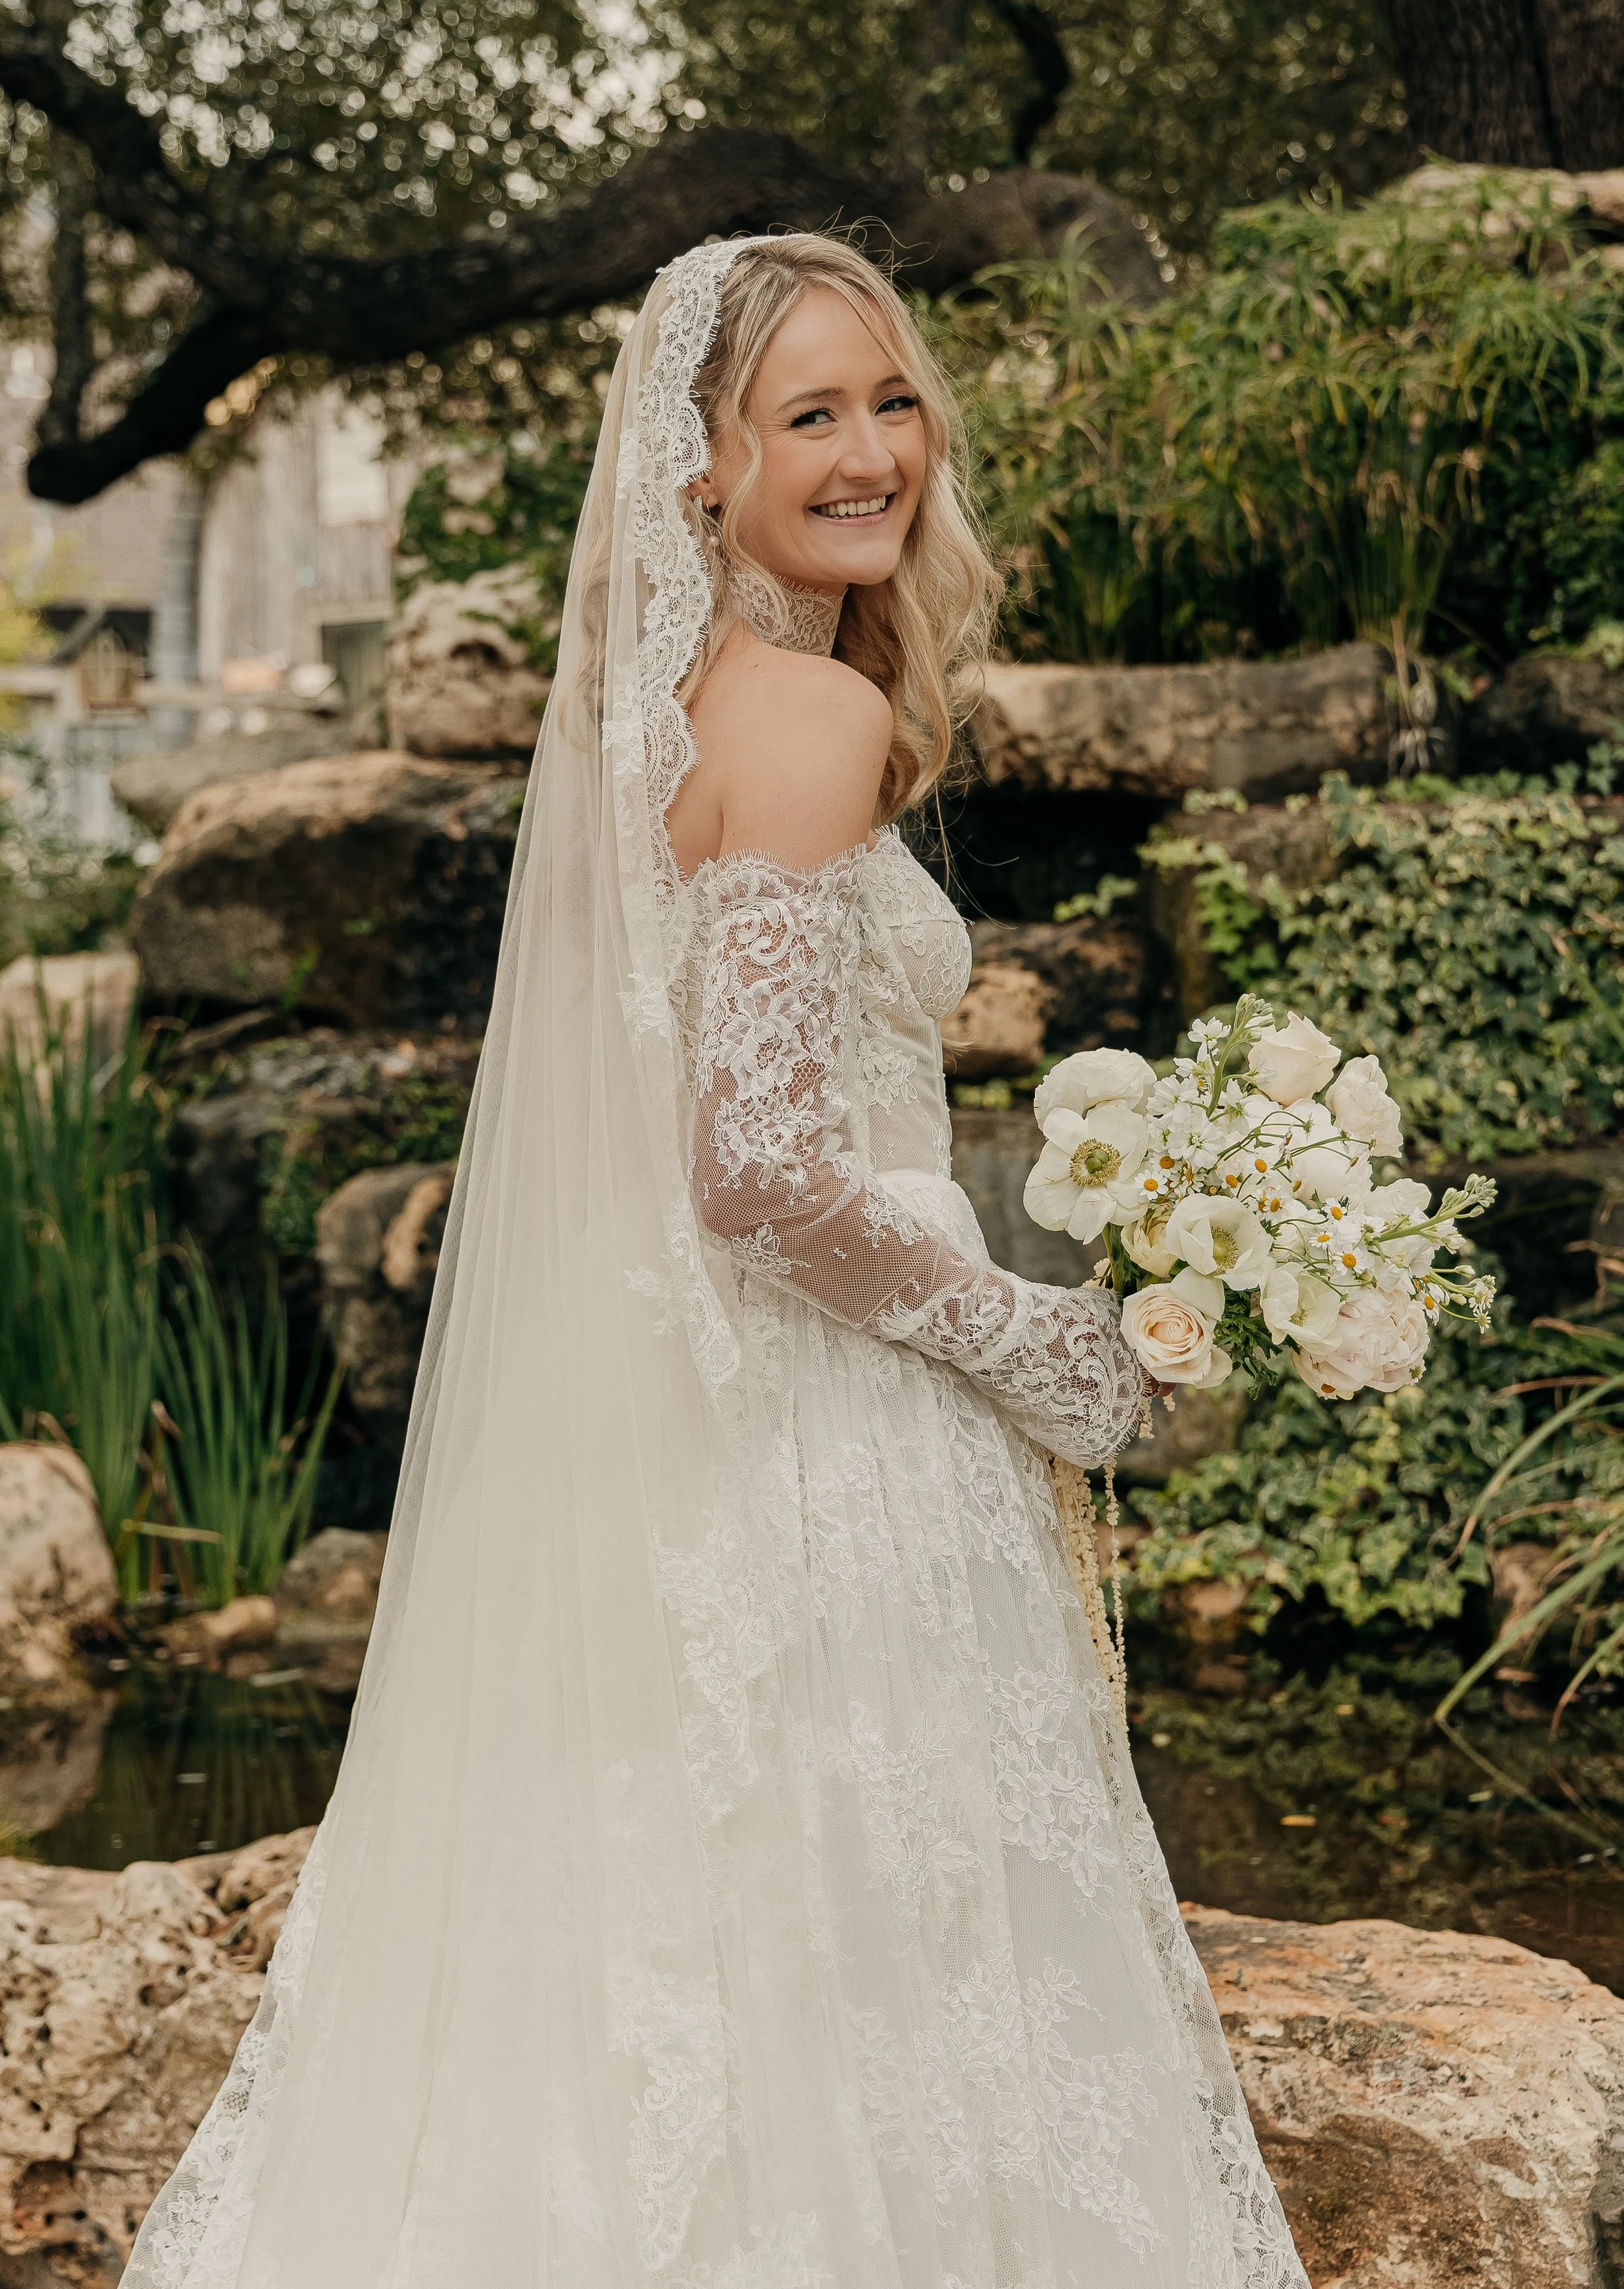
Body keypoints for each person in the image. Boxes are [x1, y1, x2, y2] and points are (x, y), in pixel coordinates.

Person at [122, 234, 1308, 2288]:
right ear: (702, 465)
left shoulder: (653, 719)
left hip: (666, 1420)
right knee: (879, 1987)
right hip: (824, 1437)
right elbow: (756, 1167)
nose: (869, 453)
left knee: (673, 1966)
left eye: (891, 400)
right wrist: (1039, 1338)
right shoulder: (810, 715)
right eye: (808, 416)